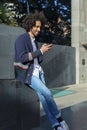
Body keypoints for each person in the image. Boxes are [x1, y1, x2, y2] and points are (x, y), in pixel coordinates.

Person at [14, 13, 69, 130]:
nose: (39, 29)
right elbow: (22, 58)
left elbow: (37, 59)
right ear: (30, 25)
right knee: (48, 93)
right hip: (28, 73)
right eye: (37, 27)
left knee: (44, 100)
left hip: (38, 72)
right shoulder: (21, 39)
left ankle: (55, 126)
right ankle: (59, 118)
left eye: (40, 27)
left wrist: (42, 52)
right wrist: (40, 51)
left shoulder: (34, 41)